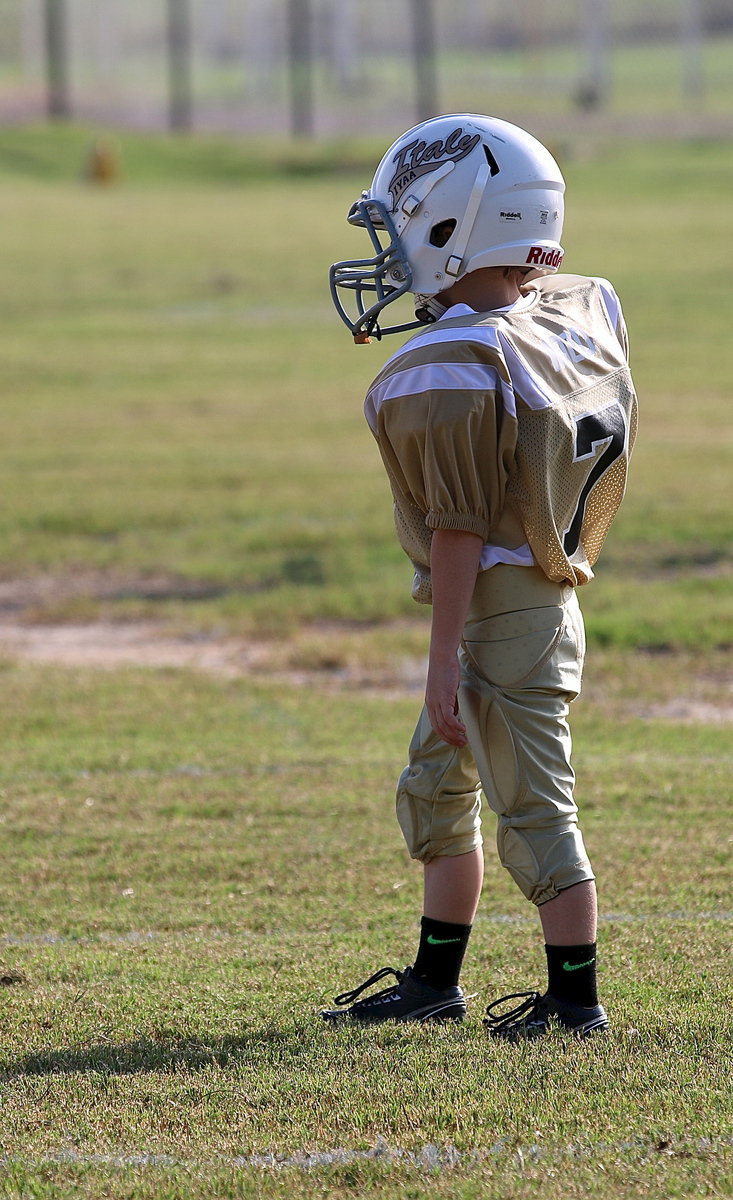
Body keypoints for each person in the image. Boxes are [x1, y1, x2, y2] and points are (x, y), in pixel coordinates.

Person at [322, 114, 637, 1040]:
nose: (387, 252)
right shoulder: (567, 319)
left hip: (497, 610)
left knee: (534, 805)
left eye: (400, 225)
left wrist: (438, 658)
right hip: (530, 602)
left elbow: (458, 528)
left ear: (454, 226)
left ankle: (575, 1001)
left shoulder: (455, 359)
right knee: (437, 789)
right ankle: (434, 980)